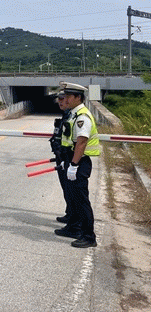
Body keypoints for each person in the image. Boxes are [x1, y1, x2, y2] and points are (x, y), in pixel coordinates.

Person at [53, 82, 100, 248]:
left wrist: (74, 165)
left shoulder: (82, 116)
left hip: (79, 162)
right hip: (71, 159)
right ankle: (73, 228)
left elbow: (81, 142)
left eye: (68, 96)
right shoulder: (73, 114)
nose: (65, 99)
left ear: (78, 97)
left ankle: (89, 236)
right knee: (72, 197)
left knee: (81, 200)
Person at [50, 93, 71, 224]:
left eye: (63, 99)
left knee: (70, 190)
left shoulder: (72, 116)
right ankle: (70, 214)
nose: (60, 102)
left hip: (67, 157)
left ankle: (74, 219)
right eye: (59, 100)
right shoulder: (66, 115)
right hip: (61, 156)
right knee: (66, 188)